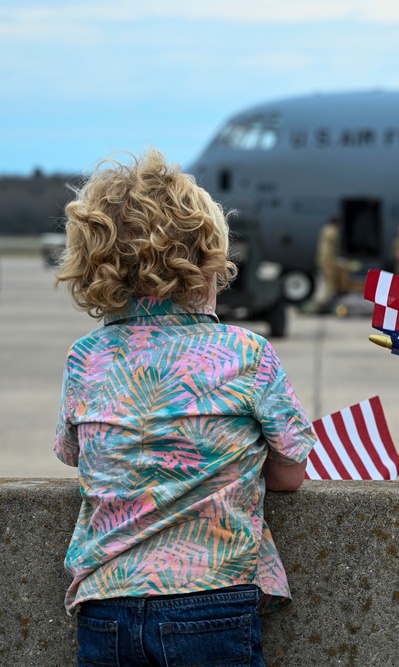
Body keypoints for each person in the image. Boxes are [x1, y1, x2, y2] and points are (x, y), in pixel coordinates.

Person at [53, 150, 318, 666]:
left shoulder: (85, 357)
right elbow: (291, 474)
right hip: (211, 596)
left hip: (104, 602)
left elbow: (74, 454)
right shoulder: (246, 354)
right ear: (210, 261)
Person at [315, 214, 351, 312]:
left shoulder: (325, 229)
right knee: (331, 284)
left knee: (327, 282)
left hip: (323, 259)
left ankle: (325, 303)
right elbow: (334, 249)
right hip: (328, 260)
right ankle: (328, 305)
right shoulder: (333, 232)